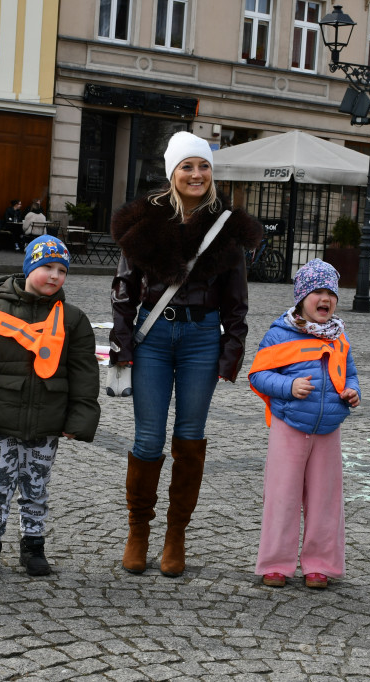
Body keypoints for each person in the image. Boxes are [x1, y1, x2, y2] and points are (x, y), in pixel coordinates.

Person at [110, 130, 262, 577]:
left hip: (200, 339)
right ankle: (139, 531)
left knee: (191, 439)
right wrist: (121, 342)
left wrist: (231, 350)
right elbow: (125, 289)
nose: (197, 174)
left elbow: (237, 300)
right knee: (147, 439)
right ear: (172, 172)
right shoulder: (145, 219)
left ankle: (176, 535)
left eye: (203, 166)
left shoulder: (227, 225)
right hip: (153, 339)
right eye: (187, 166)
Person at [0, 235, 100, 579]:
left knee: (36, 486)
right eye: (47, 267)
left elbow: (83, 372)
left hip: (47, 422)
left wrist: (79, 417)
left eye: (62, 270)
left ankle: (33, 546)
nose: (54, 275)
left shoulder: (73, 319)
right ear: (30, 266)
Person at [248, 259, 359, 589]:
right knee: (282, 496)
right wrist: (288, 387)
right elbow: (258, 374)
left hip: (328, 428)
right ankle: (276, 564)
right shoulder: (279, 334)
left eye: (330, 293)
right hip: (290, 424)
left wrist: (353, 391)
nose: (325, 299)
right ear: (301, 298)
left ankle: (319, 565)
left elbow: (349, 373)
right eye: (317, 292)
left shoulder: (338, 337)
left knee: (325, 499)